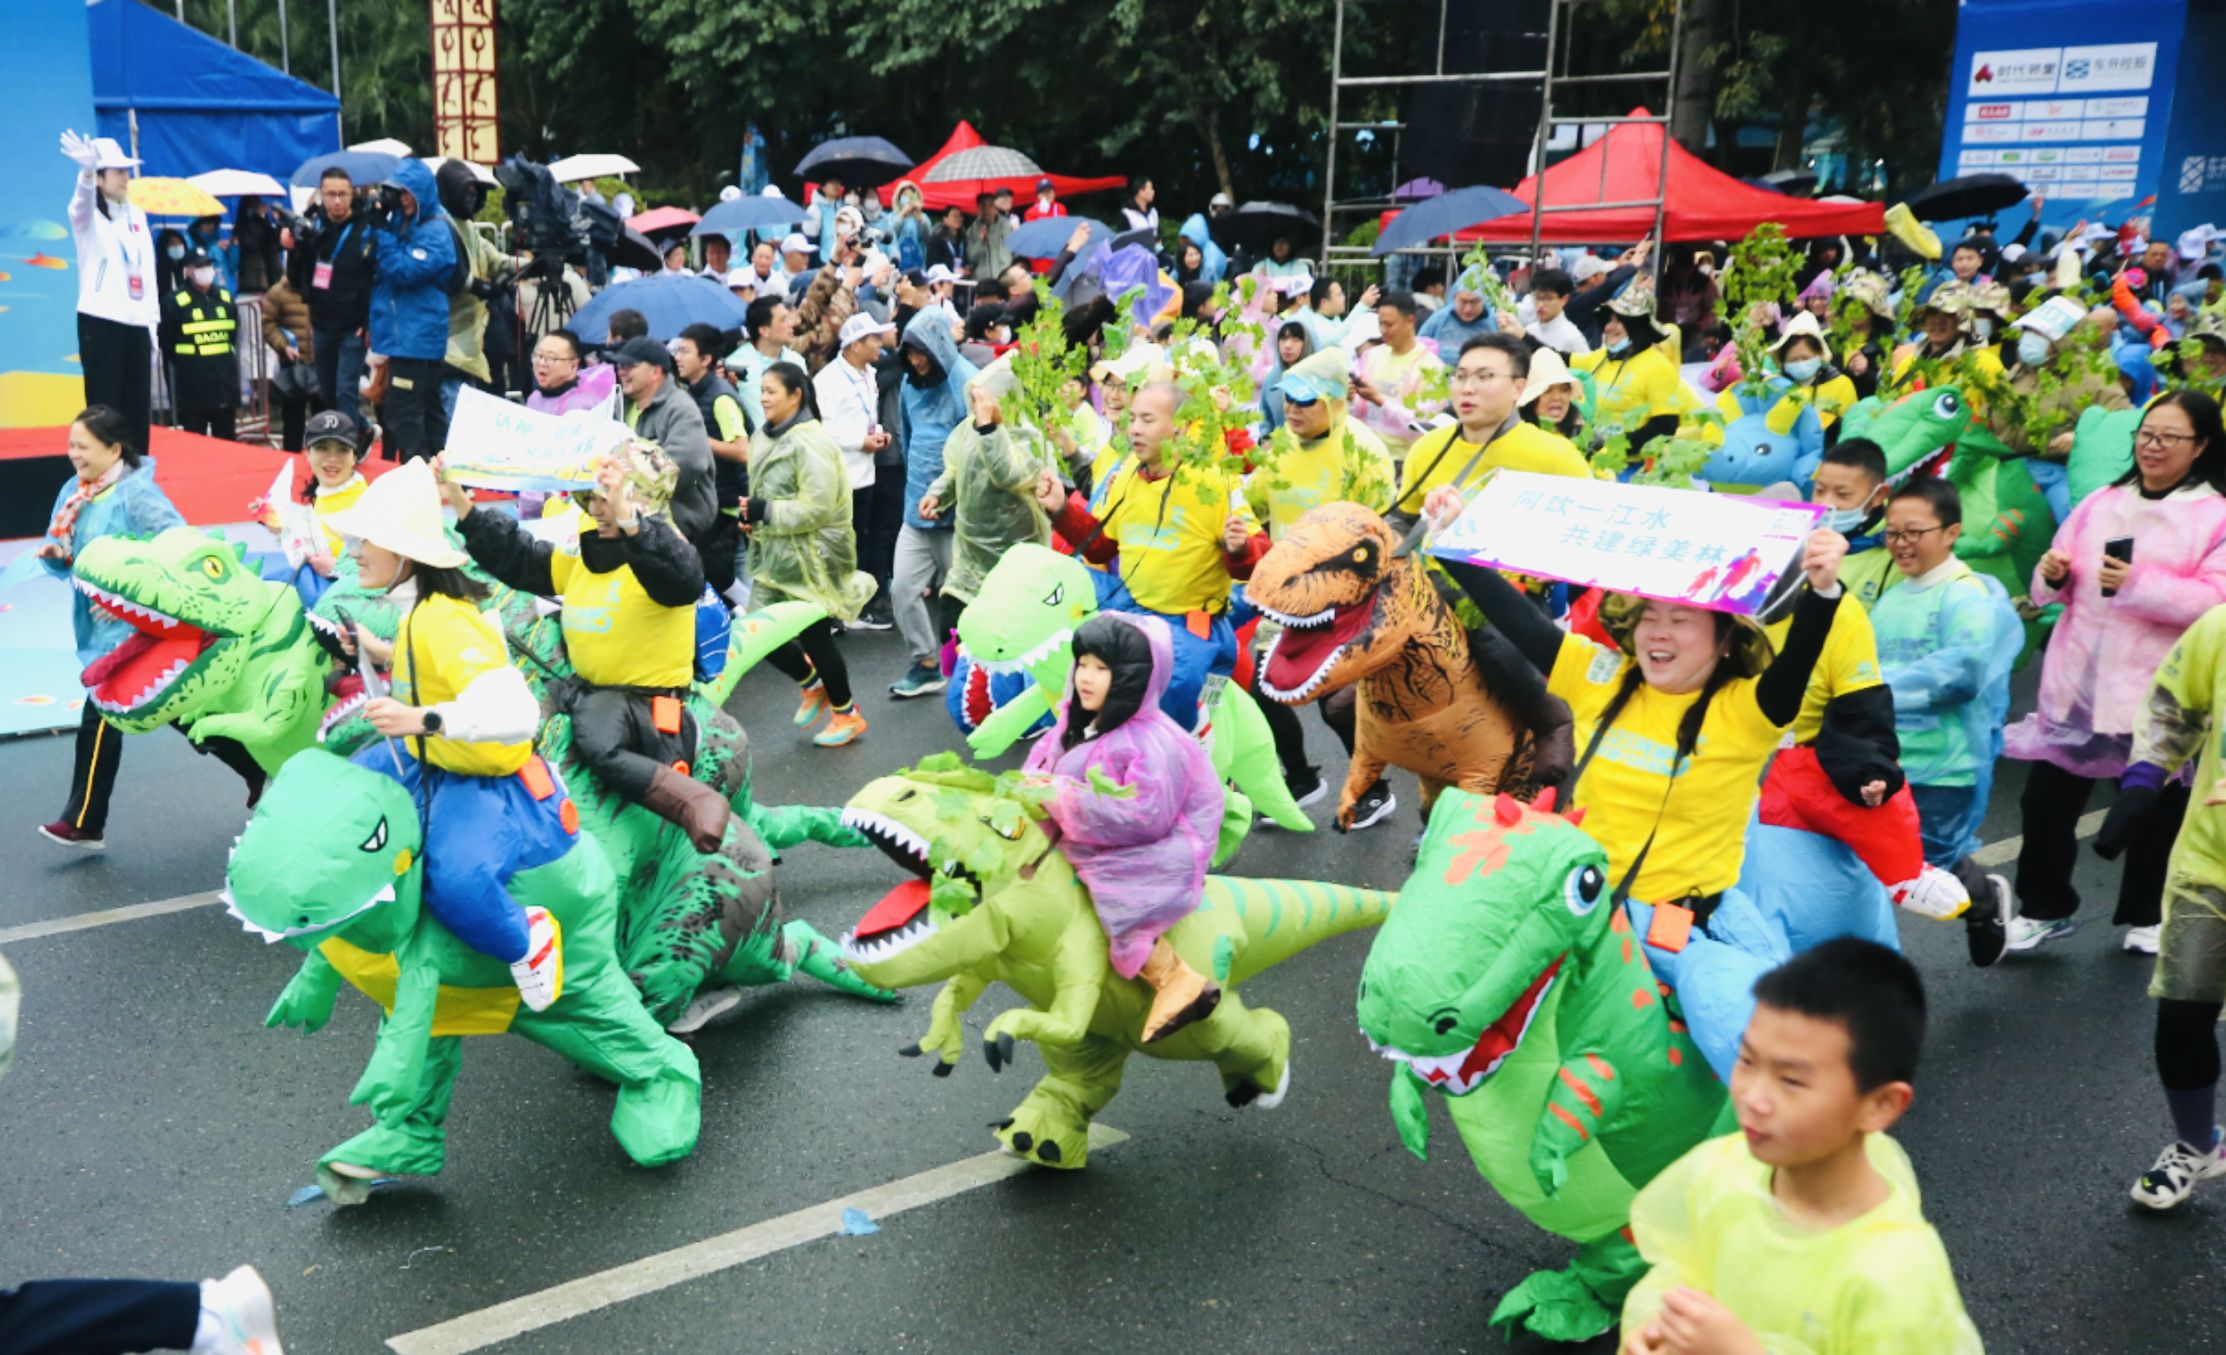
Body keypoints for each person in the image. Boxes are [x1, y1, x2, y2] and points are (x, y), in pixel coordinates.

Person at [1429, 487, 1851, 1079]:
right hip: (1585, 909)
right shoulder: (1602, 675)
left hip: (1690, 927)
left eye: (1681, 619)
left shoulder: (1746, 710)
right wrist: (1453, 541)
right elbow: (1520, 622)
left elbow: (1800, 658)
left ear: (1724, 639)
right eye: (1650, 616)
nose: (1659, 632)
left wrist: (1824, 590)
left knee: (1772, 1048)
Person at [1618, 940, 1982, 1355]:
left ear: (1880, 1105)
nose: (1753, 1097)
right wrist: (1652, 1331)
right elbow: (1676, 1270)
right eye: (1747, 1060)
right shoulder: (1723, 1167)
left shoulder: (1897, 1275)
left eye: (1791, 1080)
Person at [322, 460, 567, 1009]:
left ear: (404, 555)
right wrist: (373, 650)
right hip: (426, 757)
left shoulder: (444, 619)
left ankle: (526, 941)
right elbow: (422, 665)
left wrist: (421, 719)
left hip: (469, 775)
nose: (354, 551)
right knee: (340, 797)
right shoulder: (416, 612)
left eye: (366, 541)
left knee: (458, 885)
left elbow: (518, 713)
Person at [2005, 390, 2226, 954]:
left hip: (2158, 691)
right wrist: (2052, 575)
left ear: (2200, 446)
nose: (2152, 446)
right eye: (2146, 434)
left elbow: (2215, 603)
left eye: (2169, 437)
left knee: (2155, 811)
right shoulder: (2102, 501)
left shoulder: (2213, 515)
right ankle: (2045, 907)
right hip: (2079, 682)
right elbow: (2053, 579)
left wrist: (2138, 584)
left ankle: (2149, 915)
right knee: (2047, 803)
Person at [443, 442, 731, 851]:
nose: (597, 509)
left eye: (606, 497)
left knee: (597, 735)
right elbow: (522, 558)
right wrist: (463, 507)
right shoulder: (587, 557)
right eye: (591, 498)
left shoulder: (664, 554)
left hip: (644, 709)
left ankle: (692, 801)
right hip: (586, 689)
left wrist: (629, 517)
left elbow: (682, 578)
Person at [35, 407, 262, 849]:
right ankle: (254, 763)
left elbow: (177, 546)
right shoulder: (74, 492)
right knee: (181, 710)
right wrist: (58, 558)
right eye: (71, 445)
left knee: (104, 708)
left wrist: (132, 599)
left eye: (83, 445)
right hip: (96, 623)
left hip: (141, 627)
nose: (73, 454)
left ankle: (84, 820)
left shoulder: (136, 494)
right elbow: (67, 552)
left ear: (114, 449)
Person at [1023, 612, 1225, 1041]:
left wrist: (1060, 795)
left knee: (1118, 894)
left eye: (1103, 668)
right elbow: (1042, 767)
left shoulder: (1152, 741)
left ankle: (1176, 979)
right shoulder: (1074, 725)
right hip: (1090, 832)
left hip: (1159, 845)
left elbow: (1144, 816)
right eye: (1083, 664)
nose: (1086, 678)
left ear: (1132, 677)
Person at [1041, 381, 1270, 726]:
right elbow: (1102, 544)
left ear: (1178, 426)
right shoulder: (1127, 472)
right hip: (1133, 609)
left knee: (1167, 701)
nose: (1134, 428)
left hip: (1190, 623)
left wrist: (1238, 549)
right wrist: (1060, 510)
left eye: (1147, 420)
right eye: (1133, 419)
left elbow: (1260, 558)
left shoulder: (1215, 481)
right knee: (1055, 599)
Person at [1870, 477, 2024, 954]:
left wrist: (1874, 689)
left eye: (1914, 532)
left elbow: (1963, 674)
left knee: (1928, 864)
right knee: (1874, 867)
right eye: (1892, 533)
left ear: (1952, 531)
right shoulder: (1894, 597)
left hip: (1946, 763)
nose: (1901, 544)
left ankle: (1982, 899)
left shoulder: (1967, 596)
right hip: (1888, 758)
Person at [1244, 348, 1397, 822]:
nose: (1291, 409)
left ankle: (1375, 788)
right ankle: (1301, 777)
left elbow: (1382, 535)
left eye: (1305, 401)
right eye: (1286, 398)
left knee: (1336, 704)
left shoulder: (1364, 452)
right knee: (1261, 685)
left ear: (1334, 401)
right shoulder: (1279, 447)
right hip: (1284, 599)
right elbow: (1251, 506)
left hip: (1344, 603)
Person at [2110, 602, 2226, 1206]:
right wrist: (2144, 780)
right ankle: (2196, 1145)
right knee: (2182, 1018)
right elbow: (2174, 707)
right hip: (2210, 863)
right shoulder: (2221, 626)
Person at [744, 363, 875, 747]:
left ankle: (847, 715)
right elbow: (767, 490)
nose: (764, 397)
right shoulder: (763, 436)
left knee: (815, 636)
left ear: (795, 394)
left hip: (812, 558)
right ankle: (811, 683)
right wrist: (753, 518)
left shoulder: (810, 441)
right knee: (757, 632)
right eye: (762, 390)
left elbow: (817, 506)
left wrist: (765, 511)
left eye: (772, 391)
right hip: (775, 555)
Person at [917, 358, 1057, 645]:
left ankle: (992, 687)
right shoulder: (970, 428)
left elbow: (1009, 473)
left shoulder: (1031, 436)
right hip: (969, 559)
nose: (975, 404)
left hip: (1015, 558)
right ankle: (956, 685)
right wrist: (938, 494)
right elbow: (956, 467)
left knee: (1002, 643)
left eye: (983, 398)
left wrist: (989, 429)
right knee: (952, 634)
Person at [1389, 333, 1589, 527]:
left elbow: (1586, 529)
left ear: (1518, 388)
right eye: (1460, 376)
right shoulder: (1426, 448)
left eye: (1484, 377)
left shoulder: (1557, 457)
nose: (1467, 388)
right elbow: (1403, 522)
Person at [888, 310, 979, 698]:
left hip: (955, 514)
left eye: (921, 351)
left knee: (966, 600)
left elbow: (976, 453)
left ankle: (981, 672)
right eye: (909, 352)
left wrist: (950, 498)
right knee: (902, 589)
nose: (915, 360)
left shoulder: (968, 381)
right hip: (915, 509)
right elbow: (908, 438)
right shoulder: (910, 384)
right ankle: (925, 663)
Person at [60, 131, 157, 453]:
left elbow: (148, 274)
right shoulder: (87, 219)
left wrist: (151, 325)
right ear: (100, 179)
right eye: (117, 171)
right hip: (101, 321)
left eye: (127, 171)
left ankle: (137, 476)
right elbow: (80, 205)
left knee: (137, 411)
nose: (125, 178)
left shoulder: (137, 215)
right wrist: (86, 174)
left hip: (136, 323)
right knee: (105, 409)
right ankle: (102, 479)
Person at [365, 159, 459, 462]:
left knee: (405, 409)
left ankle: (417, 470)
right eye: (397, 193)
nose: (403, 200)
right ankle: (441, 469)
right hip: (405, 335)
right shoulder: (404, 223)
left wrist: (383, 233)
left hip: (417, 337)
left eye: (407, 194)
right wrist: (376, 221)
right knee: (428, 408)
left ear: (421, 193)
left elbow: (402, 270)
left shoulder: (436, 232)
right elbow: (371, 257)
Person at [814, 313, 897, 621]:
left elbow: (866, 417)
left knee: (859, 540)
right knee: (840, 545)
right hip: (841, 477)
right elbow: (822, 428)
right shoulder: (828, 380)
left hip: (866, 473)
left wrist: (877, 435)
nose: (880, 344)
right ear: (855, 344)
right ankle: (837, 610)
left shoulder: (869, 374)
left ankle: (851, 608)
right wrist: (859, 441)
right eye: (874, 339)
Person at [613, 335, 717, 564]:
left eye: (630, 366)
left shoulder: (680, 407)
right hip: (635, 525)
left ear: (656, 372)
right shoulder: (620, 405)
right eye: (620, 365)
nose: (622, 371)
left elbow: (689, 461)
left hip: (678, 530)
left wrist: (629, 485)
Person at [434, 159, 518, 422]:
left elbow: (493, 258)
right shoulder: (439, 225)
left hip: (475, 337)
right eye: (466, 191)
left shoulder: (468, 226)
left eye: (474, 192)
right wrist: (479, 286)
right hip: (447, 340)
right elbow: (450, 275)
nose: (471, 198)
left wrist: (531, 264)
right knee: (456, 417)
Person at [674, 322, 750, 595]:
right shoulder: (691, 392)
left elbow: (743, 451)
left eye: (685, 351)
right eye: (677, 350)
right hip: (712, 499)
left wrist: (699, 442)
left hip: (728, 505)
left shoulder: (720, 397)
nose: (678, 357)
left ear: (706, 359)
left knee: (714, 571)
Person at [1570, 276, 1686, 447]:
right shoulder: (1601, 357)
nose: (1610, 327)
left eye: (1621, 321)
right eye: (1609, 320)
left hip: (1633, 468)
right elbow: (1561, 358)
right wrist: (1522, 335)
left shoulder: (1660, 368)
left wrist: (1612, 445)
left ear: (1638, 326)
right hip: (1593, 459)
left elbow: (1664, 427)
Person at [1351, 291, 1448, 460]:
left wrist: (1380, 401)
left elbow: (1423, 425)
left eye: (1389, 325)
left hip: (1401, 459)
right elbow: (1356, 410)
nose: (1383, 330)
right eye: (1380, 324)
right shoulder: (1370, 356)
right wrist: (1349, 396)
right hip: (1362, 453)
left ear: (1410, 321)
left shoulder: (1433, 368)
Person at [726, 295, 805, 435]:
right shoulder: (735, 363)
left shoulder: (797, 361)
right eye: (783, 320)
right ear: (764, 331)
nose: (791, 324)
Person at [260, 270, 315, 450]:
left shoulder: (322, 287)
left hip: (320, 365)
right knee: (292, 422)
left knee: (323, 421)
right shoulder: (277, 293)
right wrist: (283, 346)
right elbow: (268, 324)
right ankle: (291, 459)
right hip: (293, 367)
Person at [1518, 345, 1587, 446]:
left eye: (1564, 389)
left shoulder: (1586, 440)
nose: (1557, 397)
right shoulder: (1517, 439)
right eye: (1547, 390)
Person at [1420, 271, 1496, 355]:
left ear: (1484, 301)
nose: (1468, 309)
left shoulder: (1495, 322)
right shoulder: (1440, 318)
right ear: (1455, 299)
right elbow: (1418, 347)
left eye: (1474, 302)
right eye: (1463, 302)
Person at [1523, 267, 1592, 356]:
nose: (1540, 304)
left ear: (1564, 299)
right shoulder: (1529, 330)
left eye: (1548, 298)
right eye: (1537, 298)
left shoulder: (1572, 337)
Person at [967, 191, 1016, 281]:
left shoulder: (1005, 225)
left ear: (994, 207)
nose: (986, 210)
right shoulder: (972, 230)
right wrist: (981, 242)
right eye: (983, 206)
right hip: (982, 279)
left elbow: (1013, 251)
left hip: (1003, 276)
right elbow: (971, 258)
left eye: (990, 205)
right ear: (978, 208)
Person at [926, 204, 969, 276]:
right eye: (954, 216)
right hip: (944, 281)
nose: (958, 219)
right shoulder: (937, 239)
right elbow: (932, 265)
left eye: (960, 216)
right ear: (945, 219)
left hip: (961, 282)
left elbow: (965, 260)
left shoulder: (963, 239)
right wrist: (952, 269)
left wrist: (966, 267)